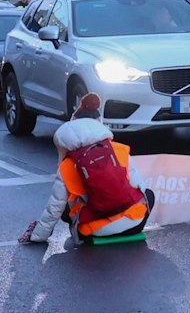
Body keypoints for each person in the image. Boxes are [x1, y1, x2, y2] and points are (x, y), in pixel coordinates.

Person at [21, 94, 154, 245]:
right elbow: (139, 187)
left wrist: (38, 235)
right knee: (148, 194)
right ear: (99, 125)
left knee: (65, 206)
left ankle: (90, 231)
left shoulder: (67, 165)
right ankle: (127, 225)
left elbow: (55, 207)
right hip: (133, 223)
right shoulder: (119, 150)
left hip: (94, 230)